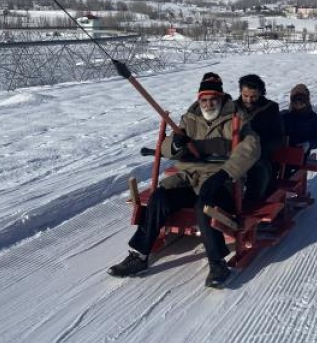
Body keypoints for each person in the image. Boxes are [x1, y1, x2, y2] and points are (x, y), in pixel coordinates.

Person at [108, 72, 260, 288]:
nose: (208, 104)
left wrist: (225, 174)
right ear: (199, 99)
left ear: (221, 97)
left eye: (213, 99)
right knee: (160, 196)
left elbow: (252, 147)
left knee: (204, 204)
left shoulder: (237, 118)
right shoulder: (190, 118)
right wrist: (176, 144)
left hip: (221, 179)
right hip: (190, 175)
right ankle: (140, 254)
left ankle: (217, 264)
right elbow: (167, 148)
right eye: (204, 99)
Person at [234, 74, 284, 203]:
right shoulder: (232, 108)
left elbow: (278, 138)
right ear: (240, 92)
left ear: (261, 93)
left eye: (253, 96)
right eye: (245, 96)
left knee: (260, 168)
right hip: (234, 153)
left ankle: (252, 205)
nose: (249, 100)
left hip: (260, 154)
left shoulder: (270, 108)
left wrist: (260, 149)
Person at [281, 84, 317, 159]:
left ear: (307, 100)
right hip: (283, 151)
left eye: (301, 99)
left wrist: (309, 144)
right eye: (295, 99)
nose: (298, 102)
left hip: (300, 152)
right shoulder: (285, 115)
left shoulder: (313, 117)